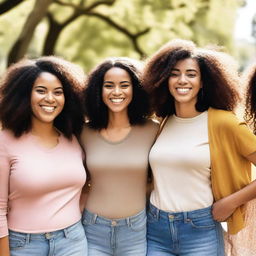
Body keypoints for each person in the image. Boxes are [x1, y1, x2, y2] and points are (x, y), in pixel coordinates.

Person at [142, 39, 256, 256]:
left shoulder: (224, 123)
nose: (182, 80)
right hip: (156, 229)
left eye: (191, 74)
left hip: (200, 230)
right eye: (174, 73)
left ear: (203, 82)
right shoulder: (163, 122)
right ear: (164, 79)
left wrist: (231, 202)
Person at [0, 56, 88, 256]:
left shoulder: (73, 138)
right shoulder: (4, 142)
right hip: (24, 245)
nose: (50, 98)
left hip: (73, 241)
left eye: (58, 92)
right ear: (24, 95)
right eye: (41, 90)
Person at [80, 57, 158, 256]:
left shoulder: (152, 130)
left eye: (124, 85)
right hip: (92, 228)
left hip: (136, 231)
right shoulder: (83, 133)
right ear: (98, 90)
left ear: (136, 89)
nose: (116, 92)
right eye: (109, 86)